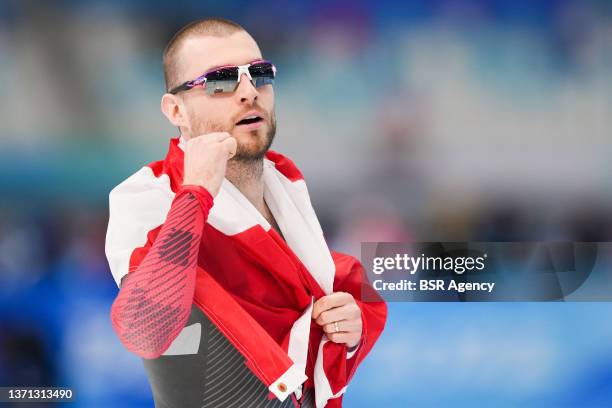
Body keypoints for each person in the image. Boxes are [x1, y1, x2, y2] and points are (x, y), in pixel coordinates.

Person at [104, 17, 387, 408]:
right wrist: (196, 193)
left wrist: (349, 329)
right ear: (175, 110)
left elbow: (308, 338)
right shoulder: (149, 195)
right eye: (220, 80)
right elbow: (145, 329)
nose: (248, 92)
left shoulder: (286, 182)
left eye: (259, 74)